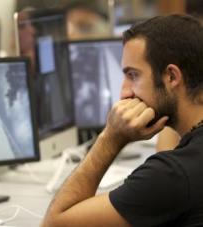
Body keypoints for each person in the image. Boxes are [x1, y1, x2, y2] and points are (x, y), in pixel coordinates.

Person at [42, 14, 203, 226]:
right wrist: (168, 102)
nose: (124, 93)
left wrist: (111, 137)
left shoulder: (172, 175)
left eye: (133, 75)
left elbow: (54, 223)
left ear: (172, 77)